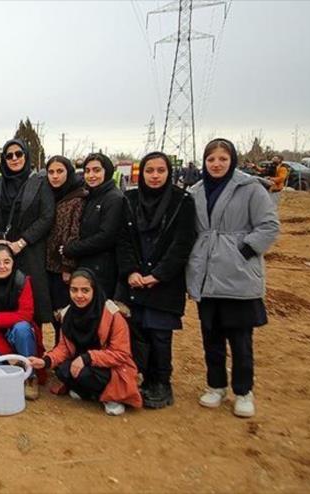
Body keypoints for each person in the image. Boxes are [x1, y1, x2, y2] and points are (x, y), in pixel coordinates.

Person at [186, 138, 279, 418]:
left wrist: (245, 250)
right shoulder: (195, 191)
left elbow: (269, 225)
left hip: (237, 275)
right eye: (211, 159)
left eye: (222, 159)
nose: (216, 164)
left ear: (232, 161)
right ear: (204, 162)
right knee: (210, 335)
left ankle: (243, 390)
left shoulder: (249, 188)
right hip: (206, 273)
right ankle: (215, 386)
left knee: (240, 338)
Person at [116, 152, 196, 409]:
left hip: (164, 282)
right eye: (149, 170)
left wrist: (158, 274)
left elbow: (182, 243)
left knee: (160, 333)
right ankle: (144, 379)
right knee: (137, 331)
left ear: (168, 172)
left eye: (160, 171)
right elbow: (123, 240)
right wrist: (131, 271)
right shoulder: (130, 200)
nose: (154, 176)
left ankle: (162, 383)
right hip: (135, 279)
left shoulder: (181, 201)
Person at [28, 269, 143, 416]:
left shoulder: (113, 316)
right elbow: (63, 348)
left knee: (84, 374)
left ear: (94, 290)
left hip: (110, 367)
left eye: (85, 290)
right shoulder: (68, 314)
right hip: (81, 363)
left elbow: (121, 354)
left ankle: (112, 397)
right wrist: (45, 361)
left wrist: (87, 358)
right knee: (62, 370)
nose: (79, 295)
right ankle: (90, 393)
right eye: (74, 290)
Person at [0, 138, 55, 327]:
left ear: (26, 155)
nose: (14, 158)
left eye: (19, 154)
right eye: (9, 155)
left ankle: (33, 343)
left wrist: (22, 242)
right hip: (0, 249)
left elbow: (46, 216)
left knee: (32, 299)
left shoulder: (40, 182)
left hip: (29, 249)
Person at [0, 244, 44, 399]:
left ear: (13, 263)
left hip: (17, 333)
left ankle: (29, 375)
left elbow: (26, 315)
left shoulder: (22, 281)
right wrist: (9, 355)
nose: (1, 266)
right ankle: (13, 372)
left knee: (22, 328)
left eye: (6, 261)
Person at [62, 152, 125, 301]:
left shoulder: (114, 198)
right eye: (87, 171)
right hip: (87, 266)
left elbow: (106, 237)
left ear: (107, 171)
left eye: (97, 170)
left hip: (103, 270)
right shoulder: (90, 195)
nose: (91, 175)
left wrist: (71, 249)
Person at [44, 155, 88, 343]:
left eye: (59, 171)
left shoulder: (78, 197)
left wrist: (67, 267)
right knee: (55, 312)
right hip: (49, 264)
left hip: (65, 267)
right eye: (51, 172)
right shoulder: (49, 194)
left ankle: (67, 350)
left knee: (67, 312)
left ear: (68, 172)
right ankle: (59, 347)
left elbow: (74, 233)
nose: (55, 176)